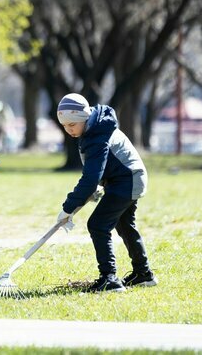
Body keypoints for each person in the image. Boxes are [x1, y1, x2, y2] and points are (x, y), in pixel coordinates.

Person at [55, 93, 156, 293]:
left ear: (83, 118)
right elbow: (102, 168)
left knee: (98, 225)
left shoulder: (98, 136)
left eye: (72, 125)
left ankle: (109, 279)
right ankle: (143, 274)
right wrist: (96, 188)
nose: (69, 130)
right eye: (65, 126)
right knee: (125, 225)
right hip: (125, 179)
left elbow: (90, 178)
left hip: (127, 181)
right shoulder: (97, 127)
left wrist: (68, 207)